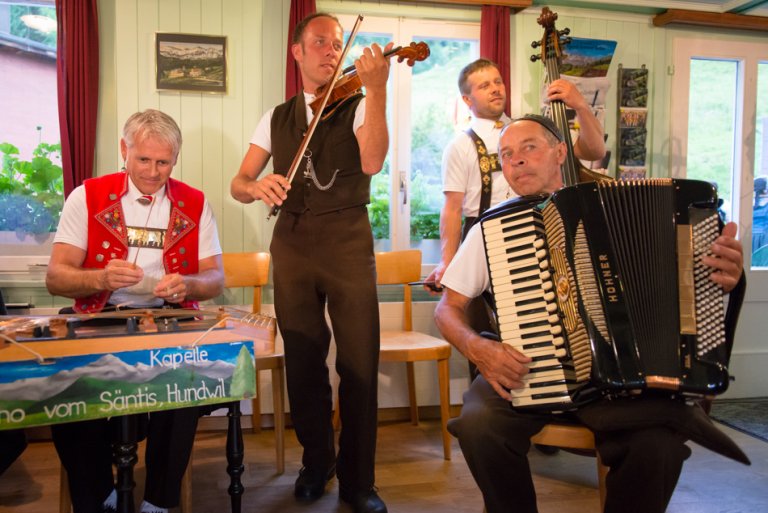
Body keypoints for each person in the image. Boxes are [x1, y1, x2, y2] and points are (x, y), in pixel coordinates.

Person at [434, 114, 747, 513]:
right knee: (479, 426)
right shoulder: (491, 230)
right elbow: (448, 309)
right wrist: (479, 348)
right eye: (506, 154)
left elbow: (696, 285)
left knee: (657, 444)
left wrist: (728, 276)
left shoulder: (624, 205)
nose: (515, 161)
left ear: (560, 152)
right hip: (528, 367)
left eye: (529, 147)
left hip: (628, 380)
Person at [230, 13, 390, 513]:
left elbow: (372, 163)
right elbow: (239, 182)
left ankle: (360, 481)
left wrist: (377, 89)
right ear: (296, 52)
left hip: (347, 240)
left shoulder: (360, 104)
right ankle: (317, 462)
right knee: (302, 360)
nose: (331, 51)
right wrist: (256, 187)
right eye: (320, 42)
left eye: (338, 44)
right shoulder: (275, 117)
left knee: (359, 361)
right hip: (293, 244)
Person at [46, 109, 224, 513]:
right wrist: (99, 279)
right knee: (65, 379)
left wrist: (189, 284)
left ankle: (158, 503)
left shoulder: (195, 203)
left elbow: (215, 279)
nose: (152, 171)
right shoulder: (87, 195)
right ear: (124, 150)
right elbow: (57, 277)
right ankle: (97, 497)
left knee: (186, 381)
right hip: (100, 313)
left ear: (175, 160)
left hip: (169, 316)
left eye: (163, 162)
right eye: (143, 159)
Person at [423, 58, 606, 294]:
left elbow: (595, 150)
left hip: (541, 231)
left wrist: (581, 106)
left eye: (497, 81)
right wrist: (447, 262)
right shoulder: (460, 146)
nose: (495, 88)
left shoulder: (533, 131)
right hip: (487, 238)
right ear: (467, 99)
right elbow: (452, 208)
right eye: (484, 85)